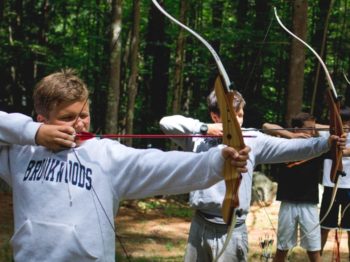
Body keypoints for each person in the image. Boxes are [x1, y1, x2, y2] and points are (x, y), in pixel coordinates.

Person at [0, 69, 252, 262]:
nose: (79, 124)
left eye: (84, 115)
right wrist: (33, 134)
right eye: (67, 117)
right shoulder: (19, 152)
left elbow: (159, 164)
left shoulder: (105, 155)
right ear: (43, 120)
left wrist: (219, 160)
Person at [160, 90, 346, 262]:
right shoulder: (198, 138)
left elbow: (293, 148)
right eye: (232, 116)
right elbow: (166, 123)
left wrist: (327, 143)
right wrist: (205, 128)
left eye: (240, 115)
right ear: (215, 116)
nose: (238, 121)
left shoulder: (252, 140)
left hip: (232, 229)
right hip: (200, 225)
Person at [263, 113, 323, 262]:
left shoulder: (317, 144)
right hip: (288, 202)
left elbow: (341, 148)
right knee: (281, 250)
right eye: (309, 128)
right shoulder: (283, 143)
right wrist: (291, 135)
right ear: (296, 129)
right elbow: (266, 126)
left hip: (309, 204)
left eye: (313, 128)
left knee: (314, 251)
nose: (312, 132)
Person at [318, 107, 350, 259]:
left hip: (349, 188)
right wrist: (333, 128)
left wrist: (341, 149)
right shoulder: (328, 135)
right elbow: (267, 126)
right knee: (324, 227)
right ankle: (316, 257)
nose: (347, 126)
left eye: (349, 123)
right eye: (343, 122)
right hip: (331, 186)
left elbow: (344, 151)